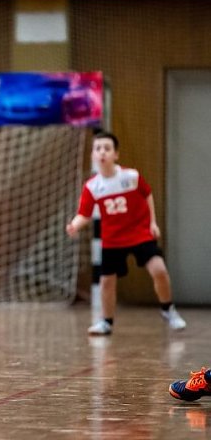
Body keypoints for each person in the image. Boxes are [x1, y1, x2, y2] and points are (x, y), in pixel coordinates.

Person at [66, 130, 186, 335]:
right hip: (113, 240)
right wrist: (75, 225)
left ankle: (168, 309)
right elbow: (84, 214)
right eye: (98, 149)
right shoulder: (92, 187)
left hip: (140, 234)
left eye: (107, 148)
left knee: (159, 271)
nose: (102, 152)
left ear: (116, 154)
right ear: (93, 155)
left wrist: (153, 223)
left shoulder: (131, 177)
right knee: (106, 282)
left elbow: (147, 195)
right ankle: (106, 322)